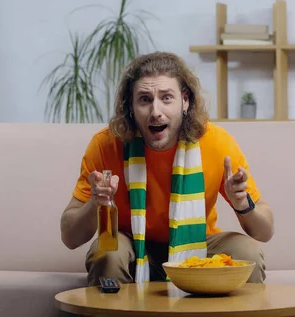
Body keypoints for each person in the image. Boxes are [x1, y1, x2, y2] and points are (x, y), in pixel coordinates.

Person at [60, 51, 274, 286]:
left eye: (166, 98)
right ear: (130, 106)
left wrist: (243, 204)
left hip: (196, 242)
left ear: (185, 100)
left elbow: (265, 232)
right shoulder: (106, 145)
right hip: (131, 245)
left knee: (247, 253)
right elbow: (70, 237)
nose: (155, 111)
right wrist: (95, 202)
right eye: (144, 99)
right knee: (107, 249)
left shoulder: (217, 143)